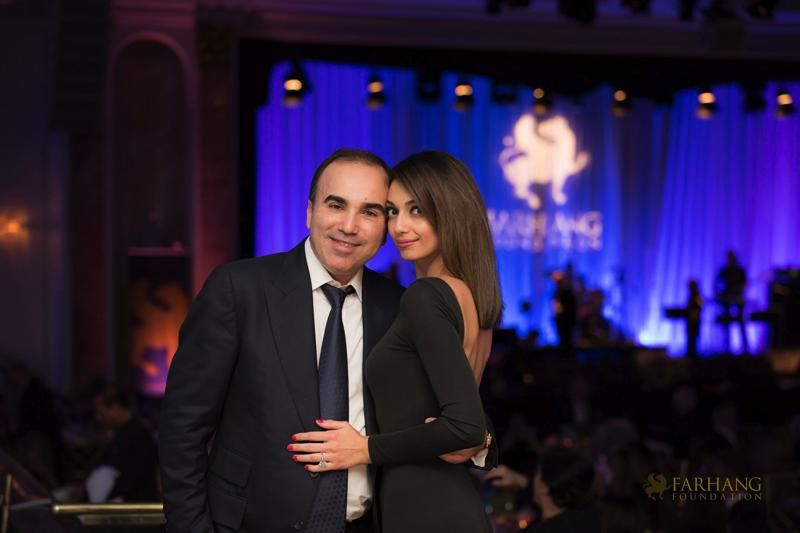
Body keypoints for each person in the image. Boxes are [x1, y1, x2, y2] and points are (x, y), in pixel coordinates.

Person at [159, 148, 491, 533]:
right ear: (309, 212)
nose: (349, 226)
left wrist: (481, 441)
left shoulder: (398, 306)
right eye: (336, 205)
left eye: (370, 212)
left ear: (384, 227)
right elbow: (182, 427)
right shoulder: (239, 289)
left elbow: (448, 406)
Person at [289, 151, 503, 533]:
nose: (400, 226)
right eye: (392, 211)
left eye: (417, 210)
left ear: (450, 212)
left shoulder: (427, 296)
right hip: (436, 500)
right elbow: (468, 420)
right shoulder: (467, 296)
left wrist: (364, 448)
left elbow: (465, 425)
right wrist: (482, 439)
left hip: (427, 508)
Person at [86, 386, 158, 502]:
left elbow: (132, 479)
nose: (98, 418)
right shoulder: (123, 433)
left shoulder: (137, 436)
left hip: (134, 506)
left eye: (100, 413)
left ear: (115, 408)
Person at [715, 250, 748, 354]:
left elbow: (744, 283)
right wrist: (718, 294)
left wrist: (740, 289)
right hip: (727, 298)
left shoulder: (740, 270)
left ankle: (745, 347)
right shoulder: (725, 270)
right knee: (727, 322)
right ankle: (727, 347)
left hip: (737, 298)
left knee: (740, 321)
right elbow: (716, 282)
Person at [686, 279, 703, 358]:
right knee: (691, 337)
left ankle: (692, 355)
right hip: (692, 320)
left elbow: (700, 306)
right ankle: (691, 354)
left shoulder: (697, 296)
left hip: (695, 320)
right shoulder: (693, 296)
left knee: (693, 337)